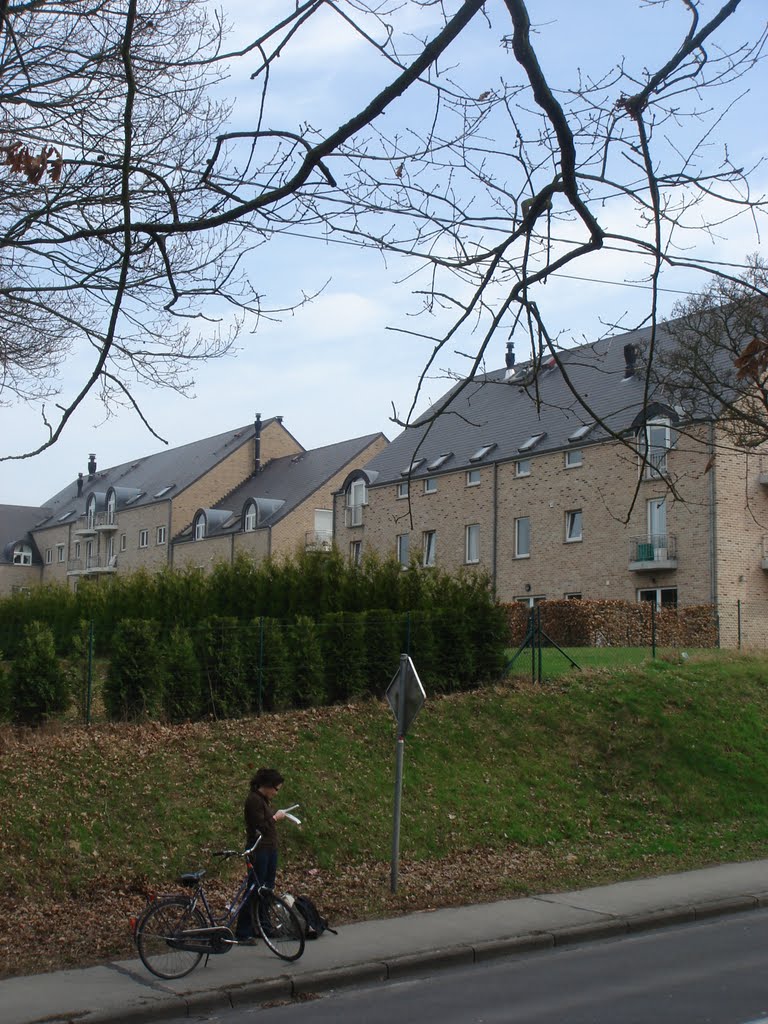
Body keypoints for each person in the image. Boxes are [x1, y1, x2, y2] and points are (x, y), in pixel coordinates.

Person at [235, 767, 287, 942]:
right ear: (268, 785)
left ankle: (264, 926)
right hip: (259, 850)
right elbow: (261, 826)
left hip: (269, 848)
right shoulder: (254, 800)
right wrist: (275, 818)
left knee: (266, 889)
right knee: (254, 889)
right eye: (276, 789)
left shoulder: (263, 800)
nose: (276, 793)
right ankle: (243, 930)